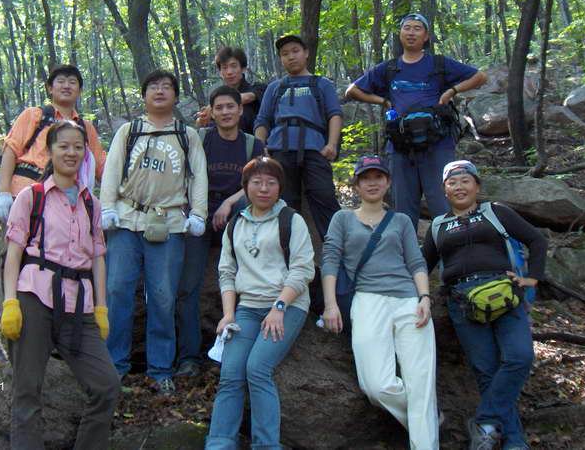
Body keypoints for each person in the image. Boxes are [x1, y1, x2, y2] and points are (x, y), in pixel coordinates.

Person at [0, 120, 120, 449]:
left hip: (79, 305)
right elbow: (13, 254)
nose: (71, 152)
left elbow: (98, 258)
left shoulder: (91, 204)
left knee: (107, 385)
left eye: (78, 147)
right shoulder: (31, 197)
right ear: (49, 151)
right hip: (34, 297)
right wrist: (10, 303)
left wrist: (101, 308)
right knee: (27, 390)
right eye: (63, 146)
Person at [422, 160, 547, 450]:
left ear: (477, 186)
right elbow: (422, 266)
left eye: (465, 181)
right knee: (485, 370)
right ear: (444, 190)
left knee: (520, 357)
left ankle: (484, 420)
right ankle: (514, 442)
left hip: (504, 293)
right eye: (452, 183)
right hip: (461, 301)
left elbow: (537, 240)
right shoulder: (438, 226)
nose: (459, 187)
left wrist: (532, 279)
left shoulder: (496, 211)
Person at [99, 70, 208, 395]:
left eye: (167, 87)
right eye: (153, 87)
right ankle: (114, 366)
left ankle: (161, 369)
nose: (160, 91)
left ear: (175, 95)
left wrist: (198, 213)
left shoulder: (187, 135)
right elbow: (111, 171)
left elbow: (198, 177)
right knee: (117, 290)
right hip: (126, 220)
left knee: (163, 296)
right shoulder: (129, 131)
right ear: (144, 94)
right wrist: (107, 208)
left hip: (168, 222)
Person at [321, 155, 438, 450]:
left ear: (387, 183)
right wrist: (331, 304)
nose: (372, 183)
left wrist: (424, 297)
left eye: (378, 177)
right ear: (356, 185)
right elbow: (330, 260)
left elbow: (416, 262)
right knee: (376, 386)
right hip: (367, 299)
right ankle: (427, 418)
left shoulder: (401, 221)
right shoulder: (342, 219)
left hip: (408, 301)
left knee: (421, 382)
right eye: (365, 178)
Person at [206, 157, 315, 450]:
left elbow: (303, 269)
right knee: (231, 373)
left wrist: (279, 308)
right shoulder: (236, 224)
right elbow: (227, 271)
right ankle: (219, 444)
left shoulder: (291, 220)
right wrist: (228, 314)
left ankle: (266, 445)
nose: (264, 189)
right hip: (247, 307)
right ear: (246, 187)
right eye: (257, 182)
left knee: (257, 368)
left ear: (280, 187)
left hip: (287, 305)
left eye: (271, 183)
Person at [345, 14, 487, 230]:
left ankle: (448, 247)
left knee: (442, 204)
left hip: (437, 144)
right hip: (401, 146)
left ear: (426, 36)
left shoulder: (439, 64)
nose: (411, 32)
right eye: (407, 28)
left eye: (417, 28)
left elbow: (480, 77)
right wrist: (383, 101)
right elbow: (352, 90)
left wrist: (451, 91)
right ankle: (408, 250)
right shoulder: (389, 68)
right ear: (400, 34)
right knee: (403, 210)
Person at [175, 85, 264, 378]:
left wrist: (228, 202)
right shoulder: (200, 139)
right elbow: (183, 176)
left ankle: (238, 351)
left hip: (235, 217)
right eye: (219, 108)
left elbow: (259, 183)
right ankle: (189, 357)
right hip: (199, 216)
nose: (225, 112)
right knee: (187, 286)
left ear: (240, 110)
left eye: (230, 106)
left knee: (247, 283)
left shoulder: (252, 145)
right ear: (211, 112)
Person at [254, 34, 342, 240]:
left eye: (295, 51)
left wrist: (332, 144)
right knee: (285, 203)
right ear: (280, 59)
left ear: (306, 53)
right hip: (280, 150)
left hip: (314, 149)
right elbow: (262, 120)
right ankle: (288, 249)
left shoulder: (322, 84)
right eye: (285, 54)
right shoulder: (275, 87)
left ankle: (336, 247)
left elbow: (335, 114)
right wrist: (261, 148)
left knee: (324, 195)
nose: (291, 57)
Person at [0, 64, 107, 221]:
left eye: (72, 82)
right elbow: (10, 151)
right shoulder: (34, 115)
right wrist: (4, 192)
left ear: (80, 91)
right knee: (17, 236)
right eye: (60, 81)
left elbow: (102, 166)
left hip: (65, 201)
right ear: (50, 88)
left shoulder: (85, 128)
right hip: (24, 192)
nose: (66, 86)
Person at [196, 46, 267, 135]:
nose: (229, 72)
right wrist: (202, 120)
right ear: (220, 72)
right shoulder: (216, 96)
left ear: (243, 68)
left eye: (234, 66)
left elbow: (248, 97)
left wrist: (213, 106)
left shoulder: (259, 88)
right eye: (224, 67)